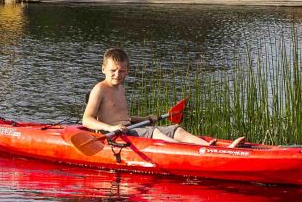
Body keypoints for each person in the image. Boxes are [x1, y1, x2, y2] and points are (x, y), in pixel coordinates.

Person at [81, 48, 246, 148]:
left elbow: (123, 118)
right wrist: (109, 128)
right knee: (156, 132)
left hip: (129, 129)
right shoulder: (100, 89)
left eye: (122, 71)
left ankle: (207, 147)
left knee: (175, 129)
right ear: (103, 69)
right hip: (116, 135)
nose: (118, 74)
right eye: (113, 70)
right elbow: (86, 120)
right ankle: (191, 153)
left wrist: (144, 118)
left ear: (127, 71)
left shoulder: (120, 88)